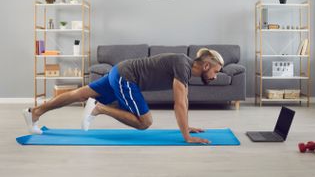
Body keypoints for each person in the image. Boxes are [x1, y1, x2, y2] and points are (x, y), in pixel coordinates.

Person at [23, 48, 224, 144]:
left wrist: (186, 126)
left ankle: (35, 113)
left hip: (120, 72)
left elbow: (184, 100)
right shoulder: (183, 65)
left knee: (79, 93)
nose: (215, 77)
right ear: (206, 66)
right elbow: (179, 104)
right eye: (215, 71)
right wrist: (186, 137)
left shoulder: (184, 67)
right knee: (145, 122)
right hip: (126, 77)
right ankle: (98, 108)